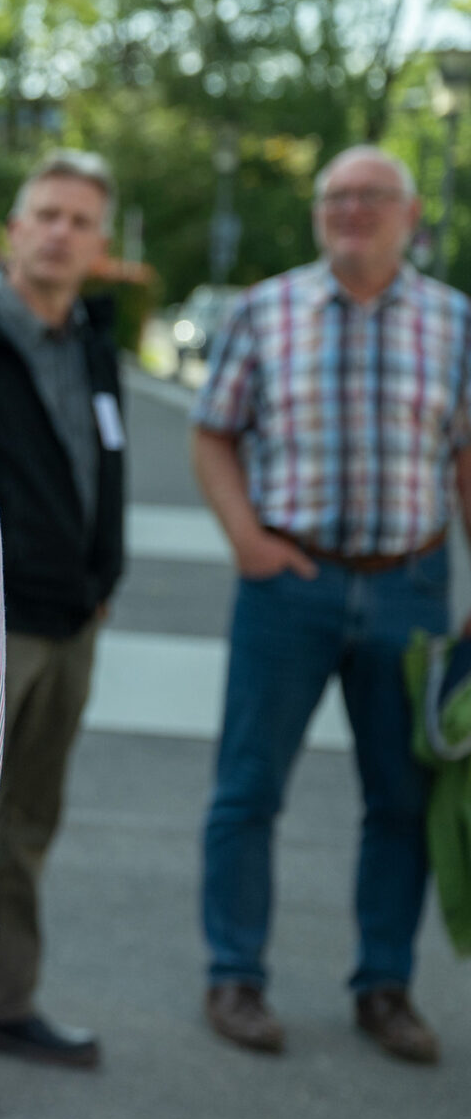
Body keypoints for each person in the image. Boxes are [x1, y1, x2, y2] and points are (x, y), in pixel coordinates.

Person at [192, 145, 464, 1067]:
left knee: (401, 799)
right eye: (335, 196)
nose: (351, 209)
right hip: (289, 584)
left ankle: (384, 985)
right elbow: (213, 434)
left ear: (410, 214)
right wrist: (248, 541)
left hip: (410, 585)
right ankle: (235, 975)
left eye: (371, 196)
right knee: (248, 788)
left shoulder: (456, 323)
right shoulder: (264, 311)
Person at [0, 153, 126, 1114]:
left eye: (80, 220)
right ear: (14, 227)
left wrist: (105, 575)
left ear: (100, 243)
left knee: (27, 824)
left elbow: (105, 463)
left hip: (71, 619)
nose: (60, 232)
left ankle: (2, 1004)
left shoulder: (91, 335)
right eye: (45, 213)